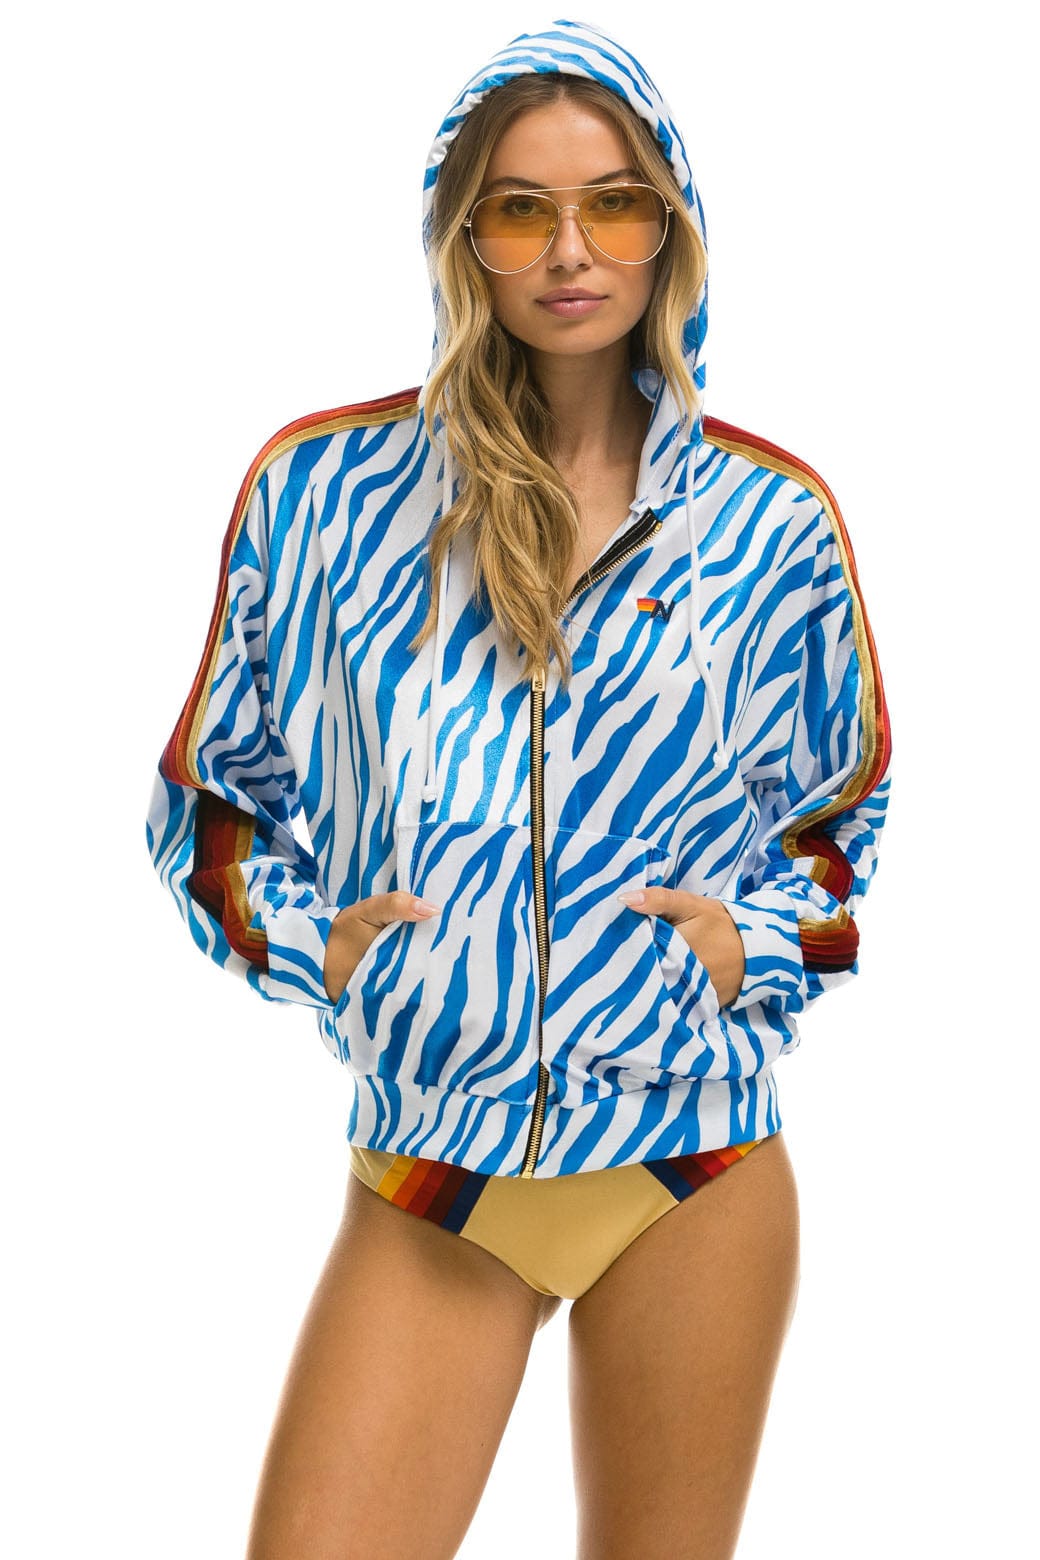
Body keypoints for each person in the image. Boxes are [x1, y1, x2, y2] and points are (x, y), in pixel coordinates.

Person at [146, 17, 892, 1559]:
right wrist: (314, 944)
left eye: (614, 204)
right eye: (520, 209)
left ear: (670, 226)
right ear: (459, 233)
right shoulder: (322, 497)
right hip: (437, 1164)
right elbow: (208, 801)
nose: (571, 251)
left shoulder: (774, 522)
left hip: (695, 1160)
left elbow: (844, 823)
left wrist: (751, 943)